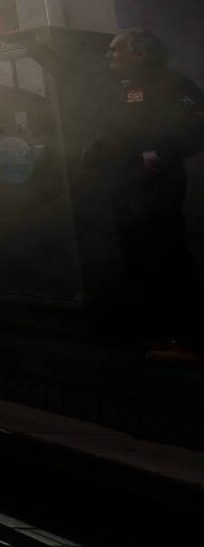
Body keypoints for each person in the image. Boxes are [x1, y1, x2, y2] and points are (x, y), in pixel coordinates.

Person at [85, 28, 204, 363]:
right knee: (138, 261)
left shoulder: (172, 85)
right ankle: (159, 333)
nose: (108, 56)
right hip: (125, 190)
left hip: (156, 190)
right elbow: (119, 133)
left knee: (169, 260)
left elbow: (198, 127)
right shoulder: (124, 89)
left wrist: (163, 154)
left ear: (139, 53)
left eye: (114, 50)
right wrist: (94, 150)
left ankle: (192, 341)